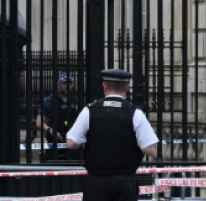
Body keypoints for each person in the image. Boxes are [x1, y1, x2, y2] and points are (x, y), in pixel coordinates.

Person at [66, 69, 159, 201]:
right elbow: (149, 148)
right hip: (124, 182)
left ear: (104, 87)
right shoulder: (135, 113)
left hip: (96, 183)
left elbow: (71, 143)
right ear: (127, 88)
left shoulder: (89, 111)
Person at [35, 74, 80, 160]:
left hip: (73, 143)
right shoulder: (48, 101)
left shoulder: (75, 101)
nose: (67, 86)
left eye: (70, 83)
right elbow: (39, 123)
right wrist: (50, 130)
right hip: (54, 143)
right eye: (64, 83)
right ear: (58, 85)